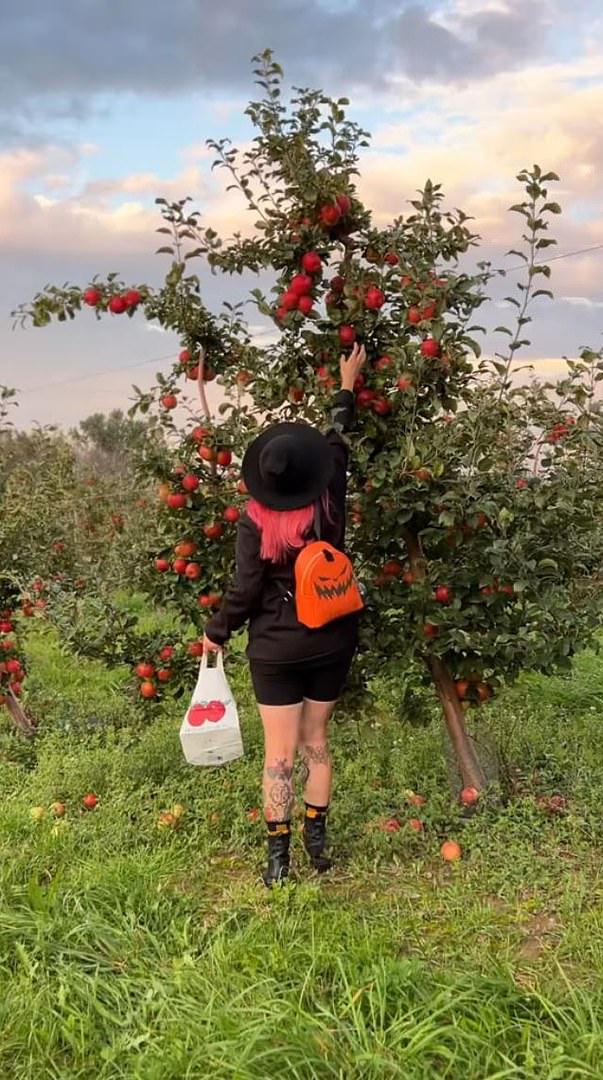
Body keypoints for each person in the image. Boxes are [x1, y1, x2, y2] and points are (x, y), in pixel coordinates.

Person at [203, 343, 366, 886]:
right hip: (332, 637)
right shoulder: (329, 504)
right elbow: (338, 444)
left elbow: (246, 590)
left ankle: (278, 864)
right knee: (316, 741)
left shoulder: (253, 523)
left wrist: (217, 632)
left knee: (279, 753)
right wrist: (347, 385)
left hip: (275, 645)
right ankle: (319, 850)